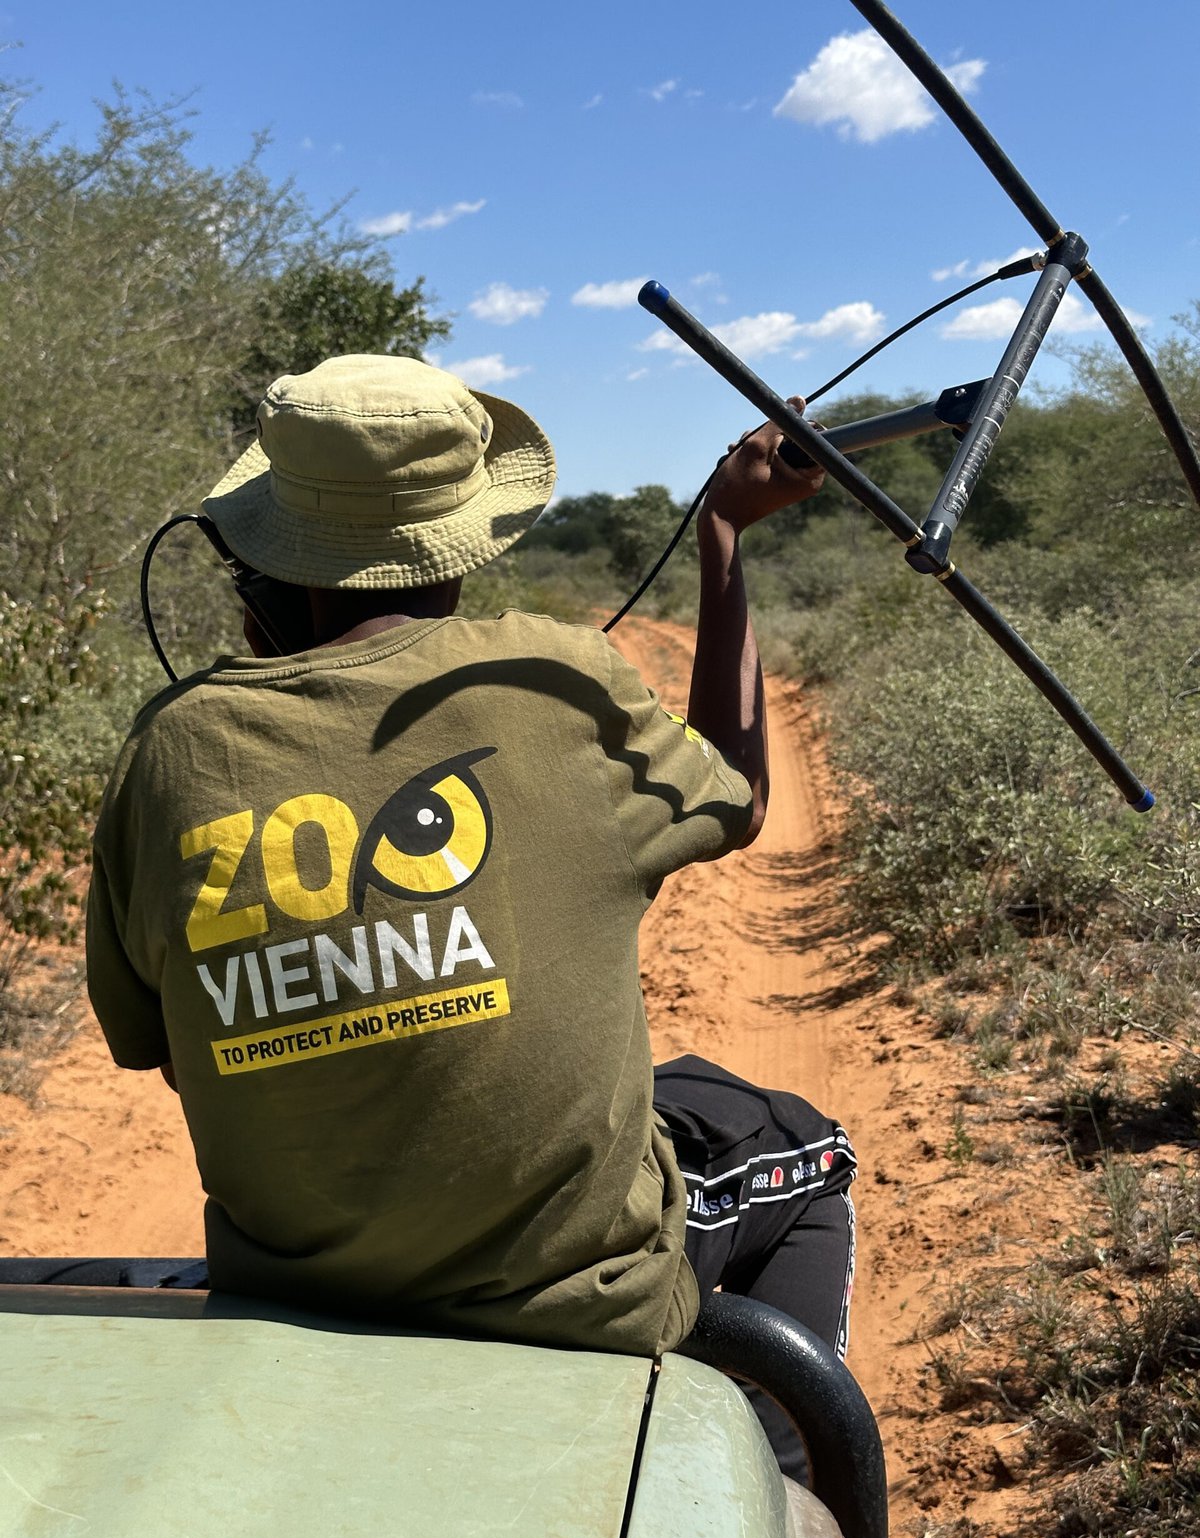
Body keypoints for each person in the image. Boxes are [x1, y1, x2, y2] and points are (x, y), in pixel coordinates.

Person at [86, 354, 856, 1479]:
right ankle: (780, 1499)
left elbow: (154, 1040)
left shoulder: (170, 750)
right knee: (807, 1150)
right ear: (461, 543)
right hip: (582, 1304)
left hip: (296, 1301)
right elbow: (735, 791)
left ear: (265, 565)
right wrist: (724, 536)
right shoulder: (553, 681)